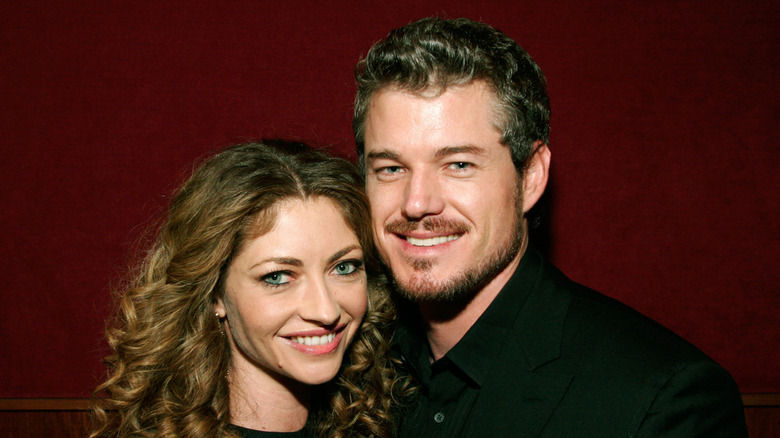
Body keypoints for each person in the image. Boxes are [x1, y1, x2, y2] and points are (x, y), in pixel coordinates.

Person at [353, 17, 748, 436]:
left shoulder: (665, 401)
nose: (416, 203)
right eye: (391, 168)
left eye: (459, 165)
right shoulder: (342, 362)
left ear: (531, 177)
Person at [91, 141, 410, 438]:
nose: (325, 310)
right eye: (278, 277)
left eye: (344, 267)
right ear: (215, 292)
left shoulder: (386, 415)